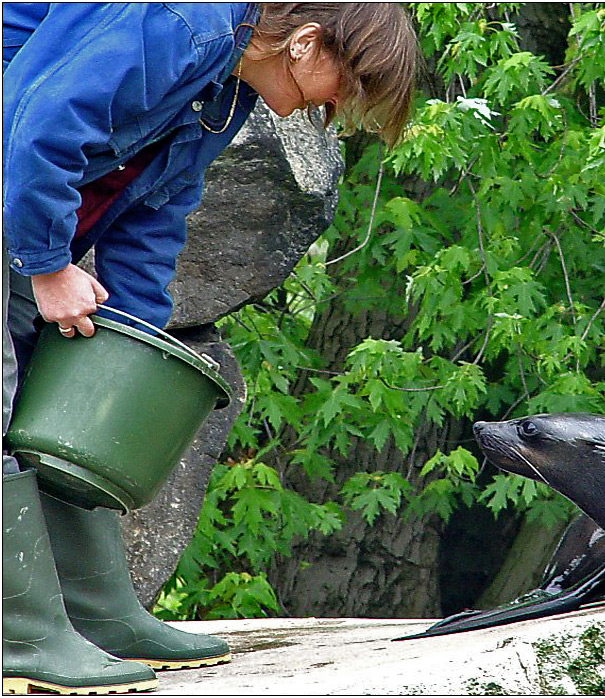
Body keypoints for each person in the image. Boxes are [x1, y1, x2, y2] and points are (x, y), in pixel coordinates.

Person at [2, 3, 417, 694]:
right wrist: (47, 265)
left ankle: (96, 615)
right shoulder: (181, 20)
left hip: (17, 201)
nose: (322, 116)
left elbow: (157, 208)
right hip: (18, 181)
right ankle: (20, 639)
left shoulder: (225, 86)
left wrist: (126, 344)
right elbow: (42, 117)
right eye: (334, 98)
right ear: (308, 44)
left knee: (55, 409)